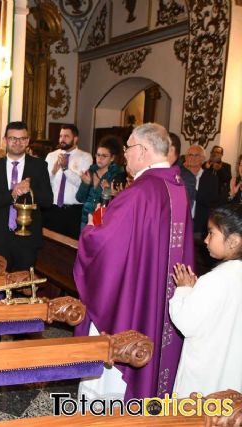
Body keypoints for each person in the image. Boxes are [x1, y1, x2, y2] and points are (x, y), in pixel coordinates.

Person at [75, 123, 193, 400]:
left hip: (131, 300)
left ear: (144, 150)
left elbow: (105, 245)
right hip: (158, 294)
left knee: (109, 380)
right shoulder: (176, 187)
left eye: (128, 147)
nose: (125, 154)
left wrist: (92, 228)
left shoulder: (140, 191)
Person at [170, 203, 242, 397]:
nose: (206, 240)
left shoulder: (215, 279)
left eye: (212, 234)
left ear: (233, 241)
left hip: (206, 376)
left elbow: (186, 322)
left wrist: (184, 290)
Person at [0, 122, 53, 271]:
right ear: (5, 140)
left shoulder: (39, 166)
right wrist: (11, 194)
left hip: (27, 238)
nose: (17, 142)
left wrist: (29, 189)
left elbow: (47, 201)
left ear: (27, 141)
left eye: (22, 139)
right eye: (13, 138)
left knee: (23, 284)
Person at [44, 124, 93, 239]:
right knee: (50, 246)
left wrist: (65, 169)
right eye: (61, 136)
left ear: (75, 138)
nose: (62, 139)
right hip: (53, 209)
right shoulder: (51, 156)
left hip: (73, 211)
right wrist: (53, 172)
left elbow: (82, 184)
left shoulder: (85, 157)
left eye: (66, 136)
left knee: (69, 249)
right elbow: (45, 183)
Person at [76, 136, 125, 228]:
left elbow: (119, 203)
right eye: (98, 155)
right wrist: (85, 184)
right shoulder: (90, 171)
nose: (100, 159)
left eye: (104, 156)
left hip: (104, 222)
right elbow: (80, 198)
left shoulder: (117, 175)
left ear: (112, 158)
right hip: (85, 220)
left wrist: (108, 191)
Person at [184, 144, 219, 238]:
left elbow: (212, 201)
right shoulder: (179, 176)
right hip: (179, 222)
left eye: (196, 155)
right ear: (185, 158)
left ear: (203, 159)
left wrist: (191, 191)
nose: (192, 158)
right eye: (190, 155)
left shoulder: (211, 178)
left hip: (200, 225)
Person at [167, 132, 196, 208]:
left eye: (160, 147)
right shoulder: (157, 170)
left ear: (171, 150)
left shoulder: (186, 177)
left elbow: (180, 209)